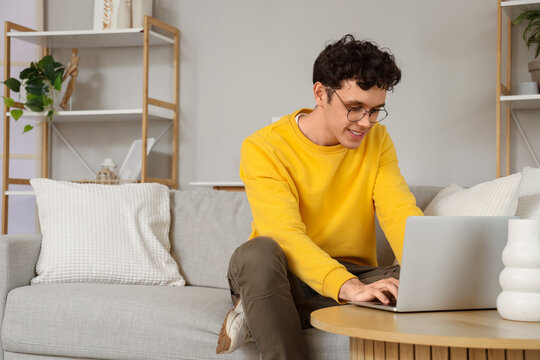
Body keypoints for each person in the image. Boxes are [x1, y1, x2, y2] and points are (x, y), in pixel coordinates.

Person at [216, 34, 423, 359]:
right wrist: (348, 288)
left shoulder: (379, 140)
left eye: (375, 111)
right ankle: (271, 304)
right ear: (320, 93)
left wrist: (430, 271)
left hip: (353, 270)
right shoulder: (263, 147)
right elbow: (284, 234)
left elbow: (399, 212)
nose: (366, 123)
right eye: (355, 109)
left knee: (421, 285)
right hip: (282, 271)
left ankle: (257, 313)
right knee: (258, 252)